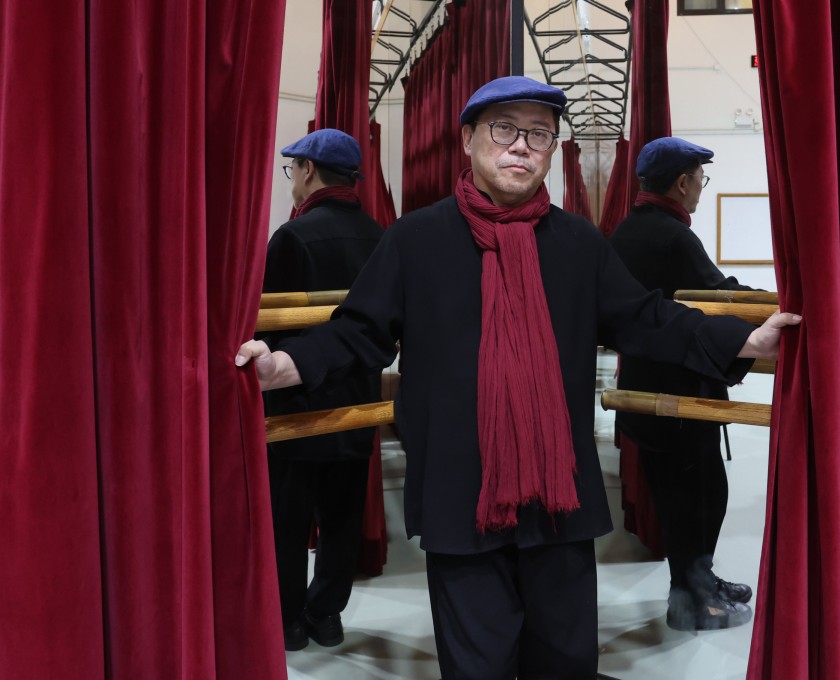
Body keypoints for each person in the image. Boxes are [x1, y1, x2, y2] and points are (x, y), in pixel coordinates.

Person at [236, 76, 800, 679]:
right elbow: (357, 332)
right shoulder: (415, 241)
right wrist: (284, 365)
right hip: (461, 498)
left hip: (559, 500)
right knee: (477, 666)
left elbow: (647, 318)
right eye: (504, 129)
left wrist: (743, 338)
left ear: (552, 149)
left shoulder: (578, 243)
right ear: (468, 139)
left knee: (565, 661)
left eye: (538, 134)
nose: (521, 146)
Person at [609, 136, 762, 631]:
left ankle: (699, 583)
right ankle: (691, 600)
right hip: (682, 396)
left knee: (676, 496)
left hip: (644, 391)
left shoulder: (628, 230)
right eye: (701, 179)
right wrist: (769, 301)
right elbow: (716, 295)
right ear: (682, 182)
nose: (700, 188)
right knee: (700, 496)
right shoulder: (674, 237)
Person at [260, 128, 384, 651]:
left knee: (287, 522)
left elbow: (266, 332)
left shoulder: (293, 236)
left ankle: (288, 622)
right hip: (357, 403)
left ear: (309, 171)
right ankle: (326, 615)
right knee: (342, 517)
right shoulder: (380, 235)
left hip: (297, 407)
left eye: (293, 170)